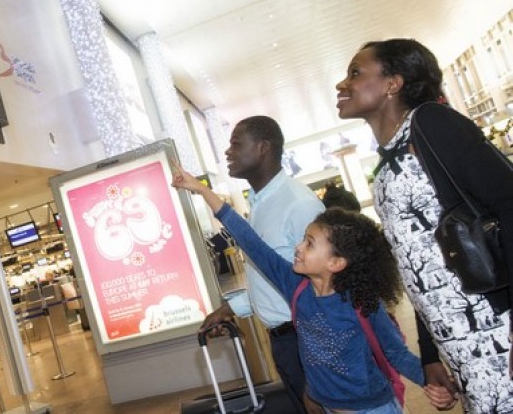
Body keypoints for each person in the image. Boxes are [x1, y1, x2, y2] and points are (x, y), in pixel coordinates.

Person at [335, 38, 513, 412]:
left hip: (496, 325)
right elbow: (415, 262)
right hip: (459, 341)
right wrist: (431, 354)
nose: (342, 84)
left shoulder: (431, 123)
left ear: (392, 83)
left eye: (355, 73)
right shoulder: (387, 162)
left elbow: (508, 204)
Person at [173, 168, 431, 412]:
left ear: (336, 262)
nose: (298, 247)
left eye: (309, 243)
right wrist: (202, 190)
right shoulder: (295, 287)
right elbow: (250, 242)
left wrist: (433, 382)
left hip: (374, 408)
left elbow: (395, 352)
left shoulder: (361, 302)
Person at [199, 116, 325, 413]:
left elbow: (325, 284)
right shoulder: (260, 203)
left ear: (263, 148)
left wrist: (320, 370)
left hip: (308, 340)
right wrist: (231, 309)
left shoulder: (298, 204)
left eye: (236, 144)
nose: (228, 152)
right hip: (285, 342)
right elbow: (274, 275)